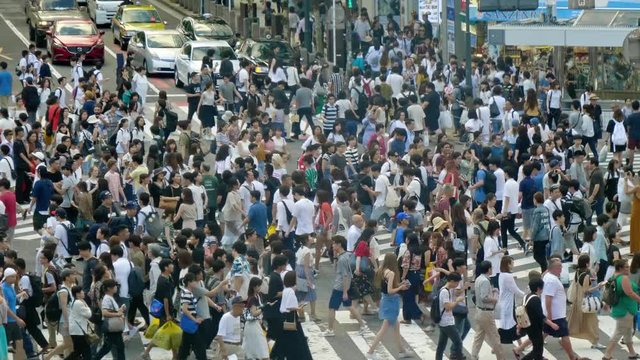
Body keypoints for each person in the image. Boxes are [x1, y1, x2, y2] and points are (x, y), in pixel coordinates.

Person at [365, 253, 411, 359]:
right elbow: (390, 291)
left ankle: (402, 351)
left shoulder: (382, 270)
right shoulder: (391, 273)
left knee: (396, 327)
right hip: (391, 302)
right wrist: (400, 288)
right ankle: (370, 352)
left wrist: (400, 285)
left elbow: (387, 288)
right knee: (383, 329)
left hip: (385, 300)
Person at [323, 235, 368, 337]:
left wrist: (345, 291)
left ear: (339, 244)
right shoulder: (347, 255)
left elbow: (345, 275)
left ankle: (330, 329)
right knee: (349, 306)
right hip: (345, 285)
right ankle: (362, 325)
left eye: (334, 243)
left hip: (339, 287)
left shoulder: (342, 259)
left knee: (332, 308)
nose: (332, 245)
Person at [602, 259, 640, 360]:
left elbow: (609, 291)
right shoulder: (623, 278)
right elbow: (630, 292)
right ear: (621, 268)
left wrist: (606, 303)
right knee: (618, 332)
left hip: (620, 308)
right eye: (626, 267)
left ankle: (632, 353)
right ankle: (607, 355)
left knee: (627, 332)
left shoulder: (613, 277)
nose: (628, 268)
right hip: (626, 309)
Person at [543, 258, 579, 360]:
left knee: (544, 333)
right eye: (560, 267)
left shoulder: (549, 276)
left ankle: (522, 349)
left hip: (555, 313)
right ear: (554, 268)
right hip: (556, 314)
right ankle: (572, 357)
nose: (561, 268)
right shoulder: (552, 280)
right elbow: (548, 298)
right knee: (564, 335)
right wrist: (550, 316)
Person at [567, 254, 606, 349]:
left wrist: (590, 280)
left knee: (575, 322)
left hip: (578, 300)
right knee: (593, 322)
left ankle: (565, 336)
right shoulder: (586, 276)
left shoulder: (577, 272)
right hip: (585, 302)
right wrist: (598, 286)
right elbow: (586, 290)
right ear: (587, 264)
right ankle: (595, 341)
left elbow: (580, 284)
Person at [471, 260, 504, 359]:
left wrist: (492, 290)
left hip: (479, 311)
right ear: (489, 269)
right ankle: (501, 358)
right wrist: (495, 299)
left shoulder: (479, 279)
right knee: (495, 337)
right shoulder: (485, 281)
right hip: (486, 312)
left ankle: (474, 356)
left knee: (479, 336)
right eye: (491, 268)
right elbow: (484, 297)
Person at [277, 271, 313, 359]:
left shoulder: (285, 290)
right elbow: (289, 307)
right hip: (291, 316)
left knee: (290, 339)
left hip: (284, 316)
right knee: (297, 339)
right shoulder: (291, 292)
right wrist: (299, 307)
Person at [522, 277, 559, 360]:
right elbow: (540, 316)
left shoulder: (526, 296)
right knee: (537, 349)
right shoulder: (536, 299)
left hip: (528, 326)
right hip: (535, 328)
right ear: (539, 288)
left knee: (537, 349)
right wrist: (552, 324)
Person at [435, 272, 464, 360]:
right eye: (456, 283)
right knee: (458, 342)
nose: (457, 285)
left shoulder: (447, 290)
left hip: (445, 321)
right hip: (446, 322)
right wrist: (457, 301)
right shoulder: (445, 292)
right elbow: (447, 307)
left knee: (442, 345)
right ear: (451, 281)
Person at [94, 279, 126, 360]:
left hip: (113, 327)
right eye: (114, 286)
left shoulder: (110, 297)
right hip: (111, 327)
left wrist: (120, 309)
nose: (116, 287)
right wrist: (118, 314)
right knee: (112, 348)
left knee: (113, 347)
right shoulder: (107, 298)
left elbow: (112, 310)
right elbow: (104, 312)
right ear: (109, 288)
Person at [67, 285, 92, 360]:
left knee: (77, 351)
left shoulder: (77, 301)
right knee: (86, 352)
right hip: (78, 331)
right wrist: (87, 306)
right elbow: (89, 314)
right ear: (77, 294)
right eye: (81, 291)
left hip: (76, 330)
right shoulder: (78, 303)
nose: (83, 293)